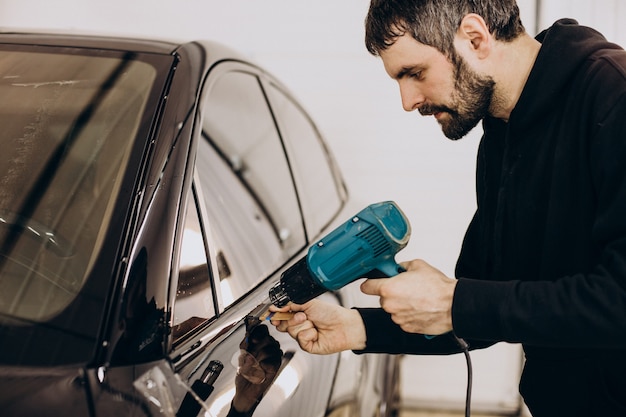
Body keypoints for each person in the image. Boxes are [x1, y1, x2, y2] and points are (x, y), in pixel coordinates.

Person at [270, 1, 626, 416]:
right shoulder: (501, 133)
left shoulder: (613, 98)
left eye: (414, 73)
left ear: (475, 38)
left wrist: (455, 302)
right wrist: (360, 327)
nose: (407, 100)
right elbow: (485, 298)